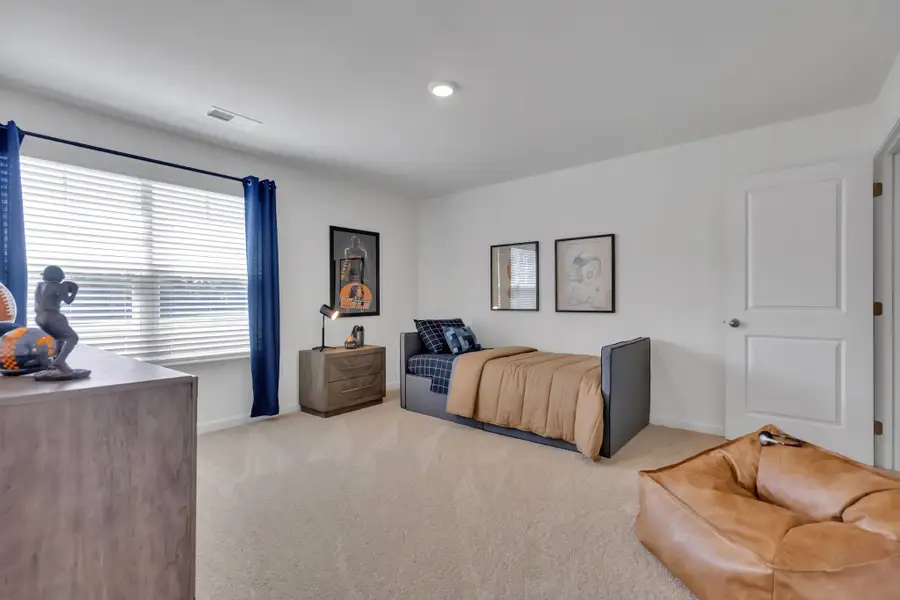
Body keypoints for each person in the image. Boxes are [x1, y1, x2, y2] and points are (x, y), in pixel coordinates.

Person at [34, 265, 81, 374]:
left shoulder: (39, 285)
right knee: (73, 338)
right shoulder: (60, 286)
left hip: (39, 317)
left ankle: (59, 365)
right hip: (52, 316)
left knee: (58, 339)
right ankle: (60, 361)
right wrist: (74, 291)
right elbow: (68, 301)